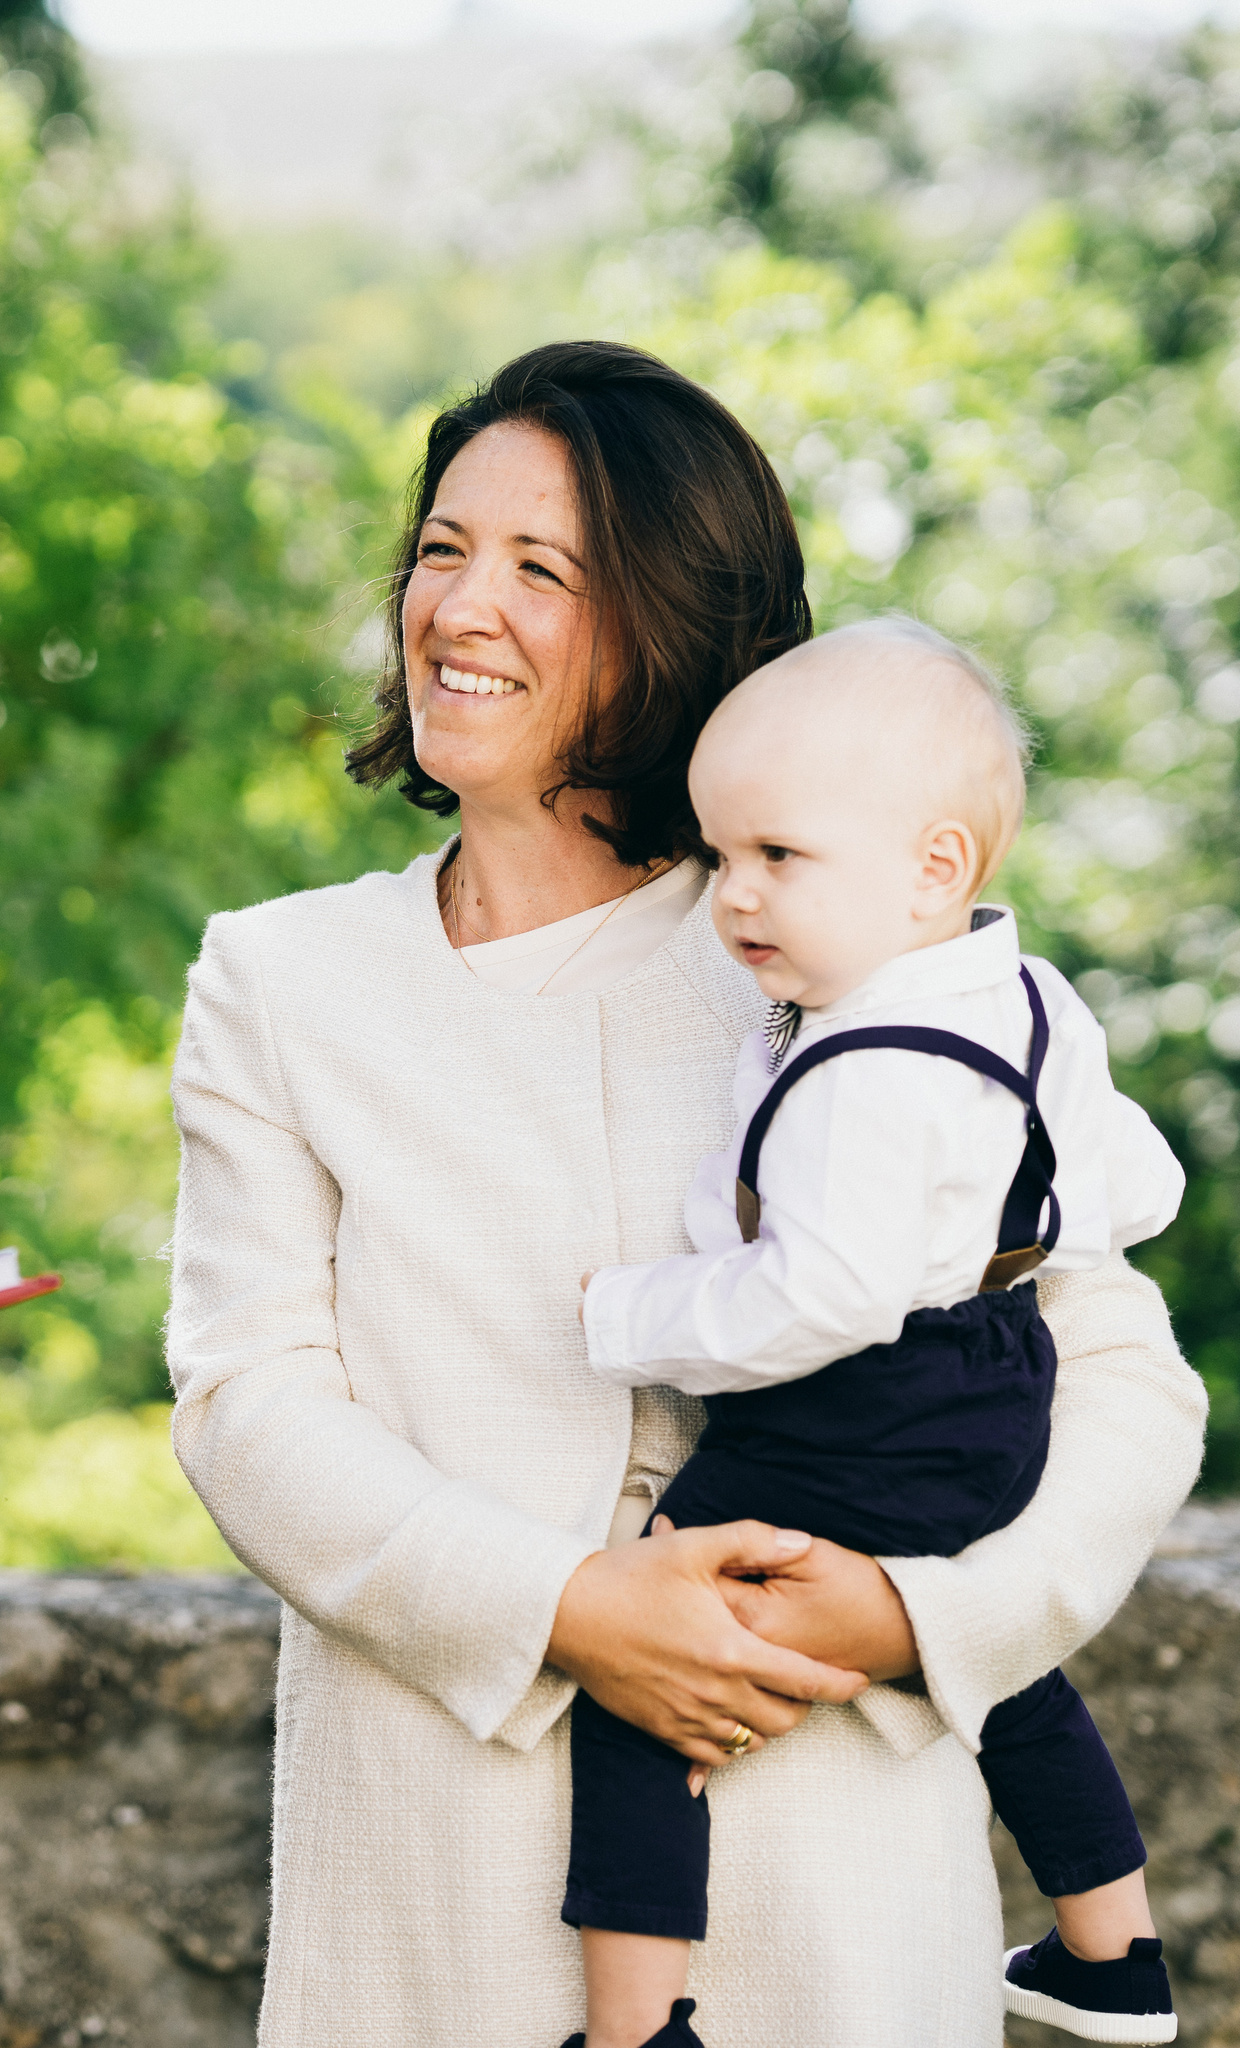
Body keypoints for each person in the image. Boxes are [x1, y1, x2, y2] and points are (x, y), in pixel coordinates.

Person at [163, 340, 1206, 2045]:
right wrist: (567, 1607)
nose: (459, 607)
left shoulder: (835, 951)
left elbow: (1119, 1370)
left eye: (542, 569)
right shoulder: (280, 981)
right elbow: (245, 1401)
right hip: (429, 1879)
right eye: (441, 548)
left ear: (675, 626)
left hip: (835, 1875)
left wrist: (923, 1615)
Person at [566, 620, 1184, 2048]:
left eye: (780, 857)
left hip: (860, 1405)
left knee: (649, 1655)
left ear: (935, 868)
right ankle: (1115, 1955)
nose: (736, 899)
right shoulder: (1033, 1001)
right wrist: (988, 1243)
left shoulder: (858, 1069)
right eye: (723, 859)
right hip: (999, 1385)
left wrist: (629, 1313)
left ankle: (635, 2024)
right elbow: (1135, 1183)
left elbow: (816, 1301)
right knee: (999, 1658)